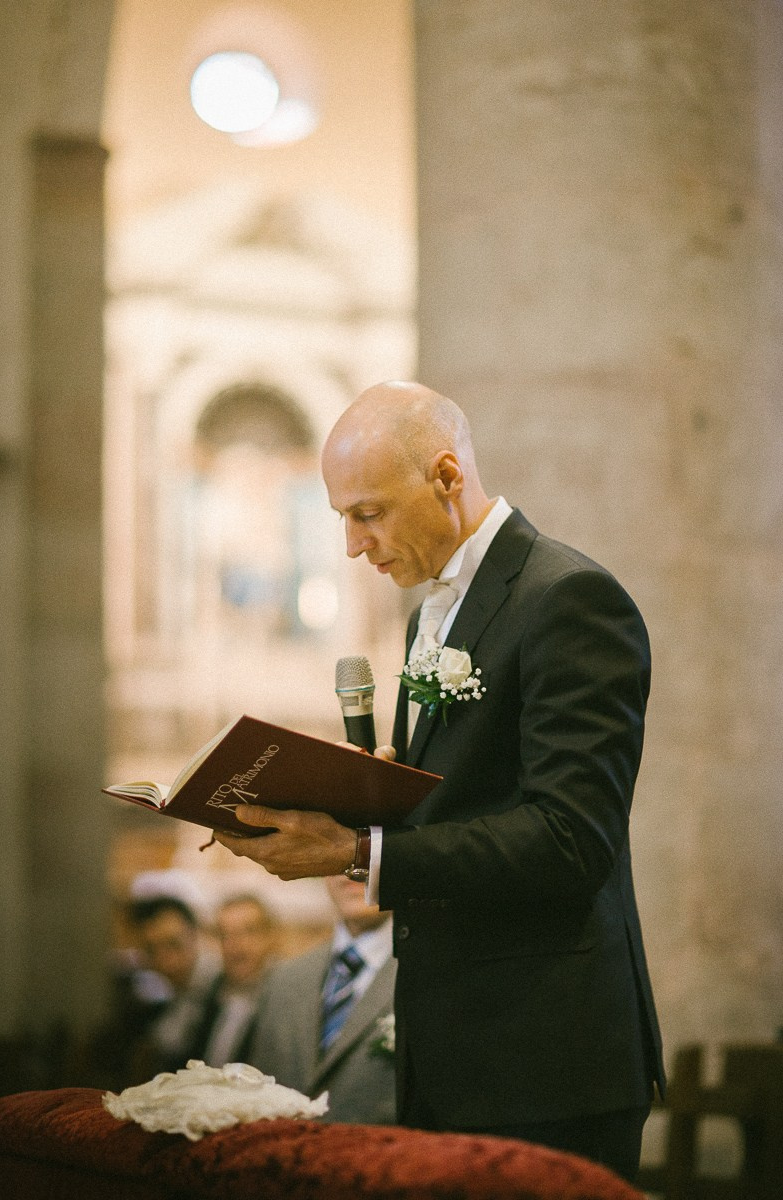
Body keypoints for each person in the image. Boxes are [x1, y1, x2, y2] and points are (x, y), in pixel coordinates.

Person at [215, 380, 665, 1181]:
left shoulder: (569, 600)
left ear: (447, 478)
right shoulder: (435, 612)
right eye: (343, 519)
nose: (354, 545)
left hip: (542, 1058)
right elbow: (460, 796)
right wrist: (339, 798)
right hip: (450, 1052)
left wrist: (358, 853)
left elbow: (570, 840)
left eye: (368, 513)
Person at [250, 874, 396, 1125]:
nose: (355, 869)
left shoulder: (433, 976)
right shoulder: (283, 980)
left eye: (369, 849)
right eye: (342, 847)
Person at [127, 895, 220, 1078]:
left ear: (196, 935)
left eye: (174, 945)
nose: (166, 963)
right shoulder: (179, 991)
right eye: (152, 950)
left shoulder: (223, 989)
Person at [185, 894, 279, 1067]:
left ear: (271, 937)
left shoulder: (286, 1000)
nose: (236, 944)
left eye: (248, 931)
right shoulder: (209, 994)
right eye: (225, 935)